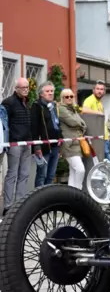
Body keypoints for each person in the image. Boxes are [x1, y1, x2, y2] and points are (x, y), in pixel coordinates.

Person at [2, 78, 32, 216]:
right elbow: (4, 124)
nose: (26, 89)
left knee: (24, 174)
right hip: (15, 143)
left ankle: (19, 204)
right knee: (12, 173)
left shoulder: (26, 102)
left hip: (27, 143)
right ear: (16, 88)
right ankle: (8, 206)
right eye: (23, 87)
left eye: (27, 87)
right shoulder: (9, 102)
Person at [31, 81, 62, 187]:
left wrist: (60, 138)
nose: (50, 93)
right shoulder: (37, 106)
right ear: (41, 94)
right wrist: (36, 146)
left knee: (51, 175)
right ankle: (38, 199)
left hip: (55, 146)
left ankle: (47, 199)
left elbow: (57, 124)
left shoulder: (54, 106)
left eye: (52, 91)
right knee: (41, 175)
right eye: (47, 91)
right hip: (43, 147)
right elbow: (34, 128)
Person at [58, 89, 87, 190]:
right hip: (69, 145)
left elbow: (83, 124)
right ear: (62, 98)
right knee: (80, 169)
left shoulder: (72, 109)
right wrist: (80, 124)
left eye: (71, 96)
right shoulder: (62, 109)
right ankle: (78, 192)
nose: (69, 98)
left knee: (73, 171)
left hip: (76, 144)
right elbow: (73, 122)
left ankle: (71, 195)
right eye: (67, 97)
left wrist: (80, 124)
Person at [80, 80, 110, 162]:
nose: (99, 91)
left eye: (102, 89)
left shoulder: (99, 102)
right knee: (108, 164)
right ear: (93, 90)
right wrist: (98, 112)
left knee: (104, 163)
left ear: (104, 91)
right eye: (97, 89)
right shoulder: (90, 99)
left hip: (104, 137)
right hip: (98, 138)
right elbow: (84, 110)